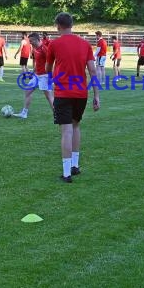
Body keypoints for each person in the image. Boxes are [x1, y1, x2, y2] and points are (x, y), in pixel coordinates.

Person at [46, 12, 100, 183]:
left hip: (63, 92)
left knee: (66, 131)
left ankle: (67, 173)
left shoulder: (54, 44)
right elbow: (92, 71)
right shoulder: (85, 44)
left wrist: (51, 79)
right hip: (81, 93)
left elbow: (48, 67)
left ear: (58, 26)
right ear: (71, 24)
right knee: (76, 127)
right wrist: (96, 95)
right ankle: (75, 166)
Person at [13, 33, 54, 119]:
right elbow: (38, 63)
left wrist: (50, 76)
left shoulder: (44, 48)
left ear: (37, 39)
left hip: (45, 76)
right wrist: (33, 72)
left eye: (31, 41)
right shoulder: (35, 48)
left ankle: (57, 115)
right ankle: (24, 113)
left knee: (49, 97)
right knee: (27, 91)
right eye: (29, 41)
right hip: (37, 75)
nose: (30, 43)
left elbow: (51, 62)